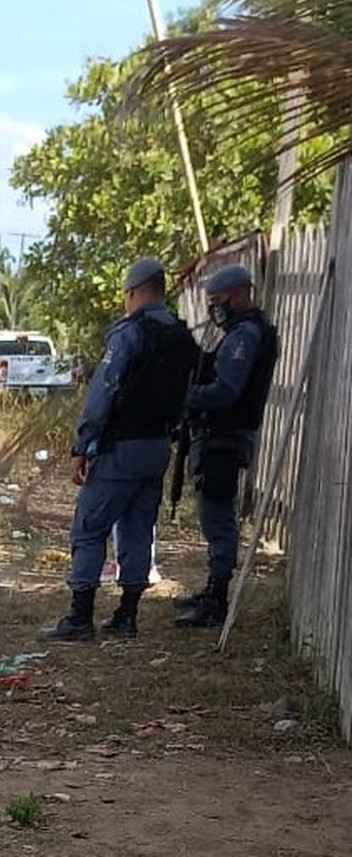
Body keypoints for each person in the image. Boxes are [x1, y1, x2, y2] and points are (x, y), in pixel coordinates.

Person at [40, 258, 197, 641]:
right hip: (159, 447)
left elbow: (102, 394)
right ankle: (127, 615)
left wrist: (81, 445)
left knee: (90, 527)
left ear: (132, 292)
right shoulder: (181, 336)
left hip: (120, 448)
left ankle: (80, 618)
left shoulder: (129, 334)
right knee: (138, 528)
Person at [174, 263, 279, 628]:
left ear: (241, 294)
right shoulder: (242, 332)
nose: (214, 308)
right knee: (214, 515)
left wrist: (186, 396)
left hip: (225, 438)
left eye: (219, 300)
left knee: (218, 519)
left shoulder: (245, 336)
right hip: (220, 437)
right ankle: (212, 589)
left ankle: (216, 599)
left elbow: (227, 391)